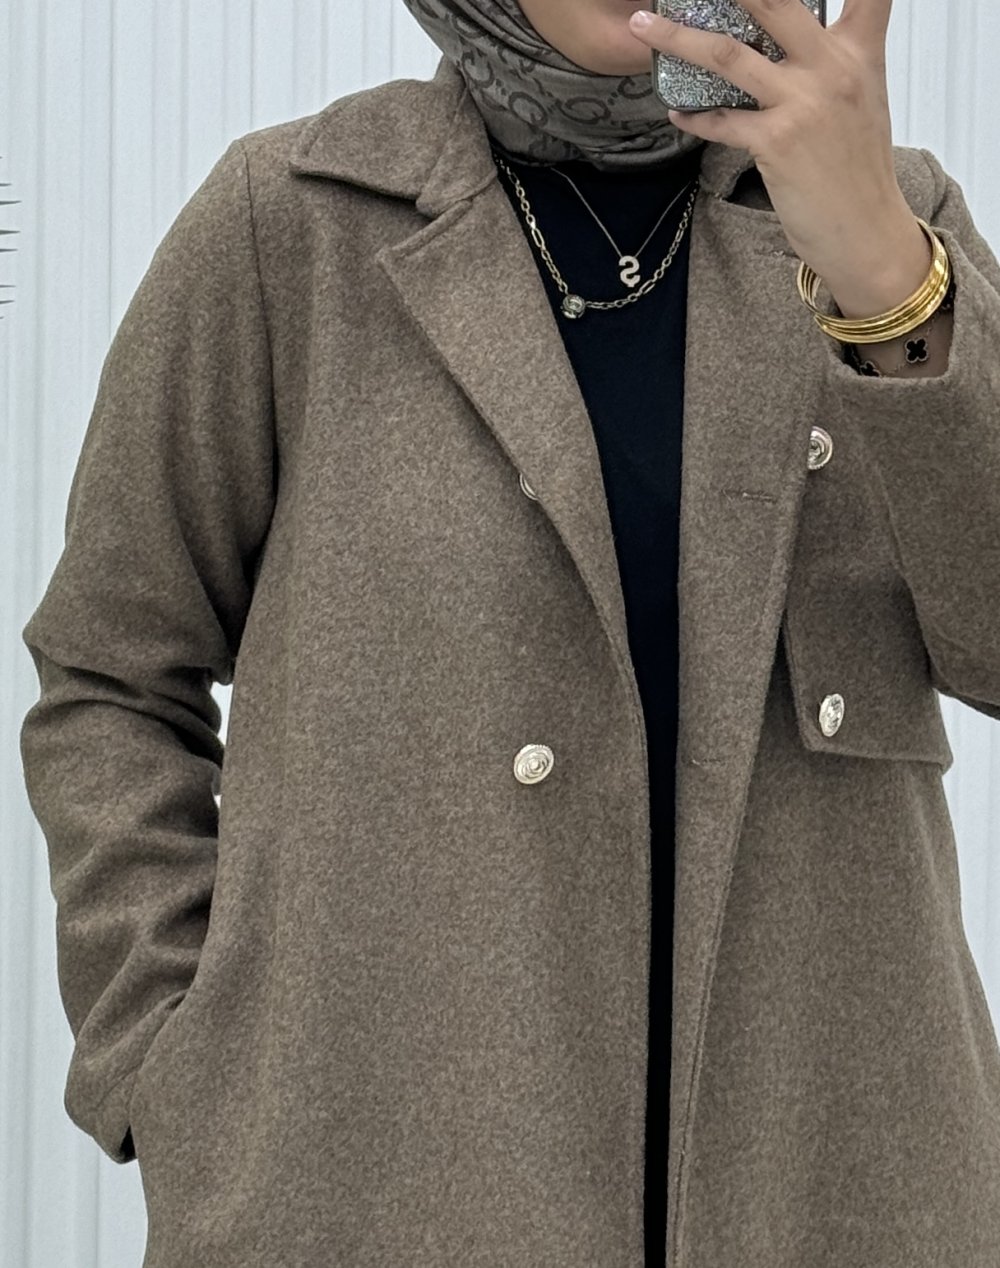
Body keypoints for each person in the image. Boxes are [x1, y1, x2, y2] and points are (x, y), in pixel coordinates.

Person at [18, 0, 1000, 1264]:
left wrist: (885, 278)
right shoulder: (293, 221)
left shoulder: (897, 219)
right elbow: (108, 670)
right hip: (372, 1184)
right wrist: (175, 1057)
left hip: (838, 1180)